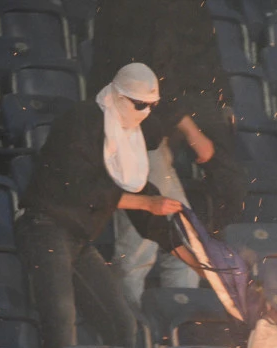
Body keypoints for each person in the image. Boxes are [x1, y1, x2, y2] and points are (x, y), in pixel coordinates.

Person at [16, 63, 199, 348]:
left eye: (152, 106)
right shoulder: (83, 119)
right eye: (139, 104)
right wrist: (146, 204)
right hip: (44, 227)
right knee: (61, 321)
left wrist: (196, 261)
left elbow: (147, 208)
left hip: (79, 238)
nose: (145, 112)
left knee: (121, 323)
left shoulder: (128, 140)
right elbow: (77, 188)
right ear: (119, 97)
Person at [89, 0, 249, 306]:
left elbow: (201, 55)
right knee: (140, 245)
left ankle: (180, 317)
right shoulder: (132, 10)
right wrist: (191, 130)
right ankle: (130, 322)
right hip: (127, 129)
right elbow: (147, 75)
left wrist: (220, 102)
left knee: (181, 234)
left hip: (151, 125)